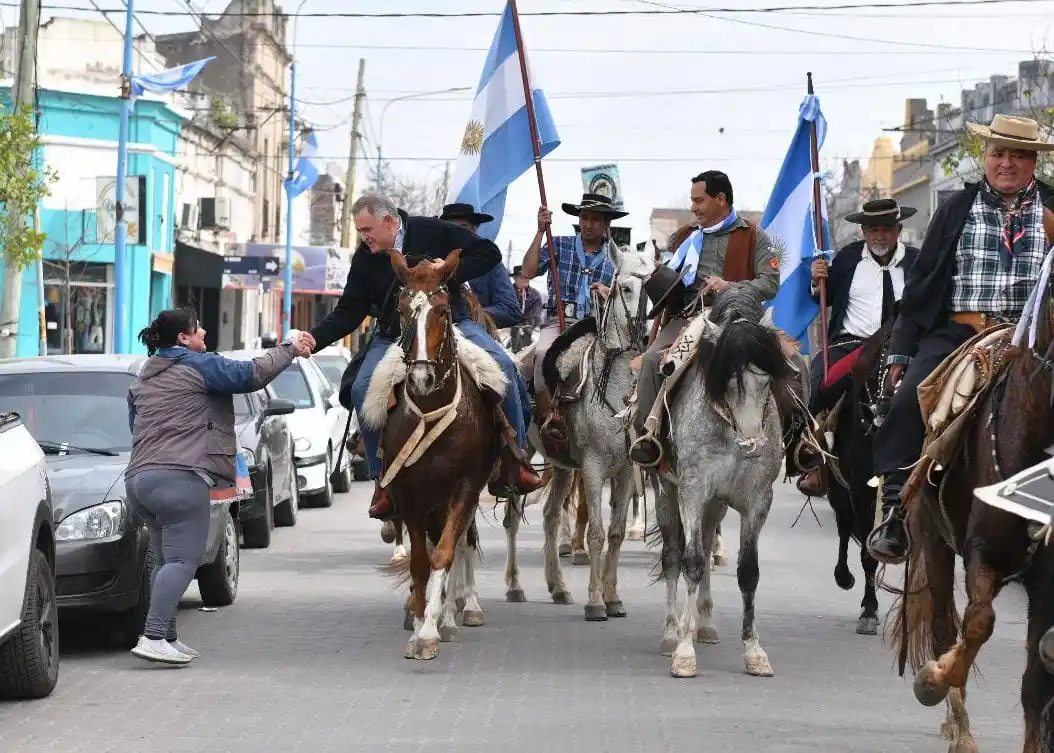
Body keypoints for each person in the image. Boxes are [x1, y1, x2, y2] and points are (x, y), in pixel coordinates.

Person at [867, 113, 1054, 564]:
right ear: (986, 158)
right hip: (961, 331)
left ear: (1033, 162)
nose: (1006, 163)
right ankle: (896, 505)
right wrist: (900, 351)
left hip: (1036, 338)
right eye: (998, 153)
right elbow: (923, 285)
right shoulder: (955, 208)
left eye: (1017, 155)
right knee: (914, 393)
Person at [307, 194, 544, 521]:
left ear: (389, 222)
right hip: (393, 334)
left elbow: (488, 253)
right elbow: (348, 312)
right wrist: (314, 337)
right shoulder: (365, 259)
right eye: (360, 231)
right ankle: (383, 482)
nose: (364, 237)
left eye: (367, 229)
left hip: (452, 324)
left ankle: (515, 461)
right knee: (362, 389)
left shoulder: (433, 232)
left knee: (503, 367)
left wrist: (448, 272)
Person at [125, 308, 312, 665]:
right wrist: (289, 348)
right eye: (198, 329)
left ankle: (166, 635)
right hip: (181, 479)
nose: (204, 332)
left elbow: (135, 427)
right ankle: (152, 635)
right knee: (184, 559)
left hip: (139, 480)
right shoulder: (199, 365)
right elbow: (252, 373)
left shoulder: (143, 378)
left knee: (166, 561)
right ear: (183, 339)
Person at [629, 170, 779, 467]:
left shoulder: (755, 236)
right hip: (686, 317)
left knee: (790, 363)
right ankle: (647, 436)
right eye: (692, 201)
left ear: (721, 199)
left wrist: (730, 286)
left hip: (737, 316)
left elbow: (771, 283)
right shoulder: (684, 237)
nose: (694, 207)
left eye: (699, 201)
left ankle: (799, 436)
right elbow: (669, 276)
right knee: (649, 361)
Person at [794, 198, 920, 497]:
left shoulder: (918, 261)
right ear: (863, 231)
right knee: (819, 383)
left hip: (903, 348)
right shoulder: (848, 259)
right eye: (873, 229)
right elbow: (823, 298)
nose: (880, 235)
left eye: (887, 229)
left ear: (898, 229)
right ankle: (813, 454)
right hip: (853, 344)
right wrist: (817, 281)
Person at [519, 192, 625, 454]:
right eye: (584, 217)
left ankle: (621, 429)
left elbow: (626, 299)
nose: (589, 224)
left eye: (596, 219)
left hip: (596, 326)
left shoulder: (617, 258)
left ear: (606, 224)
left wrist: (609, 293)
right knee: (543, 355)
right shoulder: (559, 244)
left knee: (622, 369)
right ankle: (548, 416)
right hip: (559, 322)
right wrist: (540, 231)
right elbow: (528, 271)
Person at [439, 202, 521, 328]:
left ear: (474, 230)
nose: (456, 234)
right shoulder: (431, 264)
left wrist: (472, 316)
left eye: (463, 229)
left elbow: (510, 309)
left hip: (478, 334)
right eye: (450, 229)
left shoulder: (491, 264)